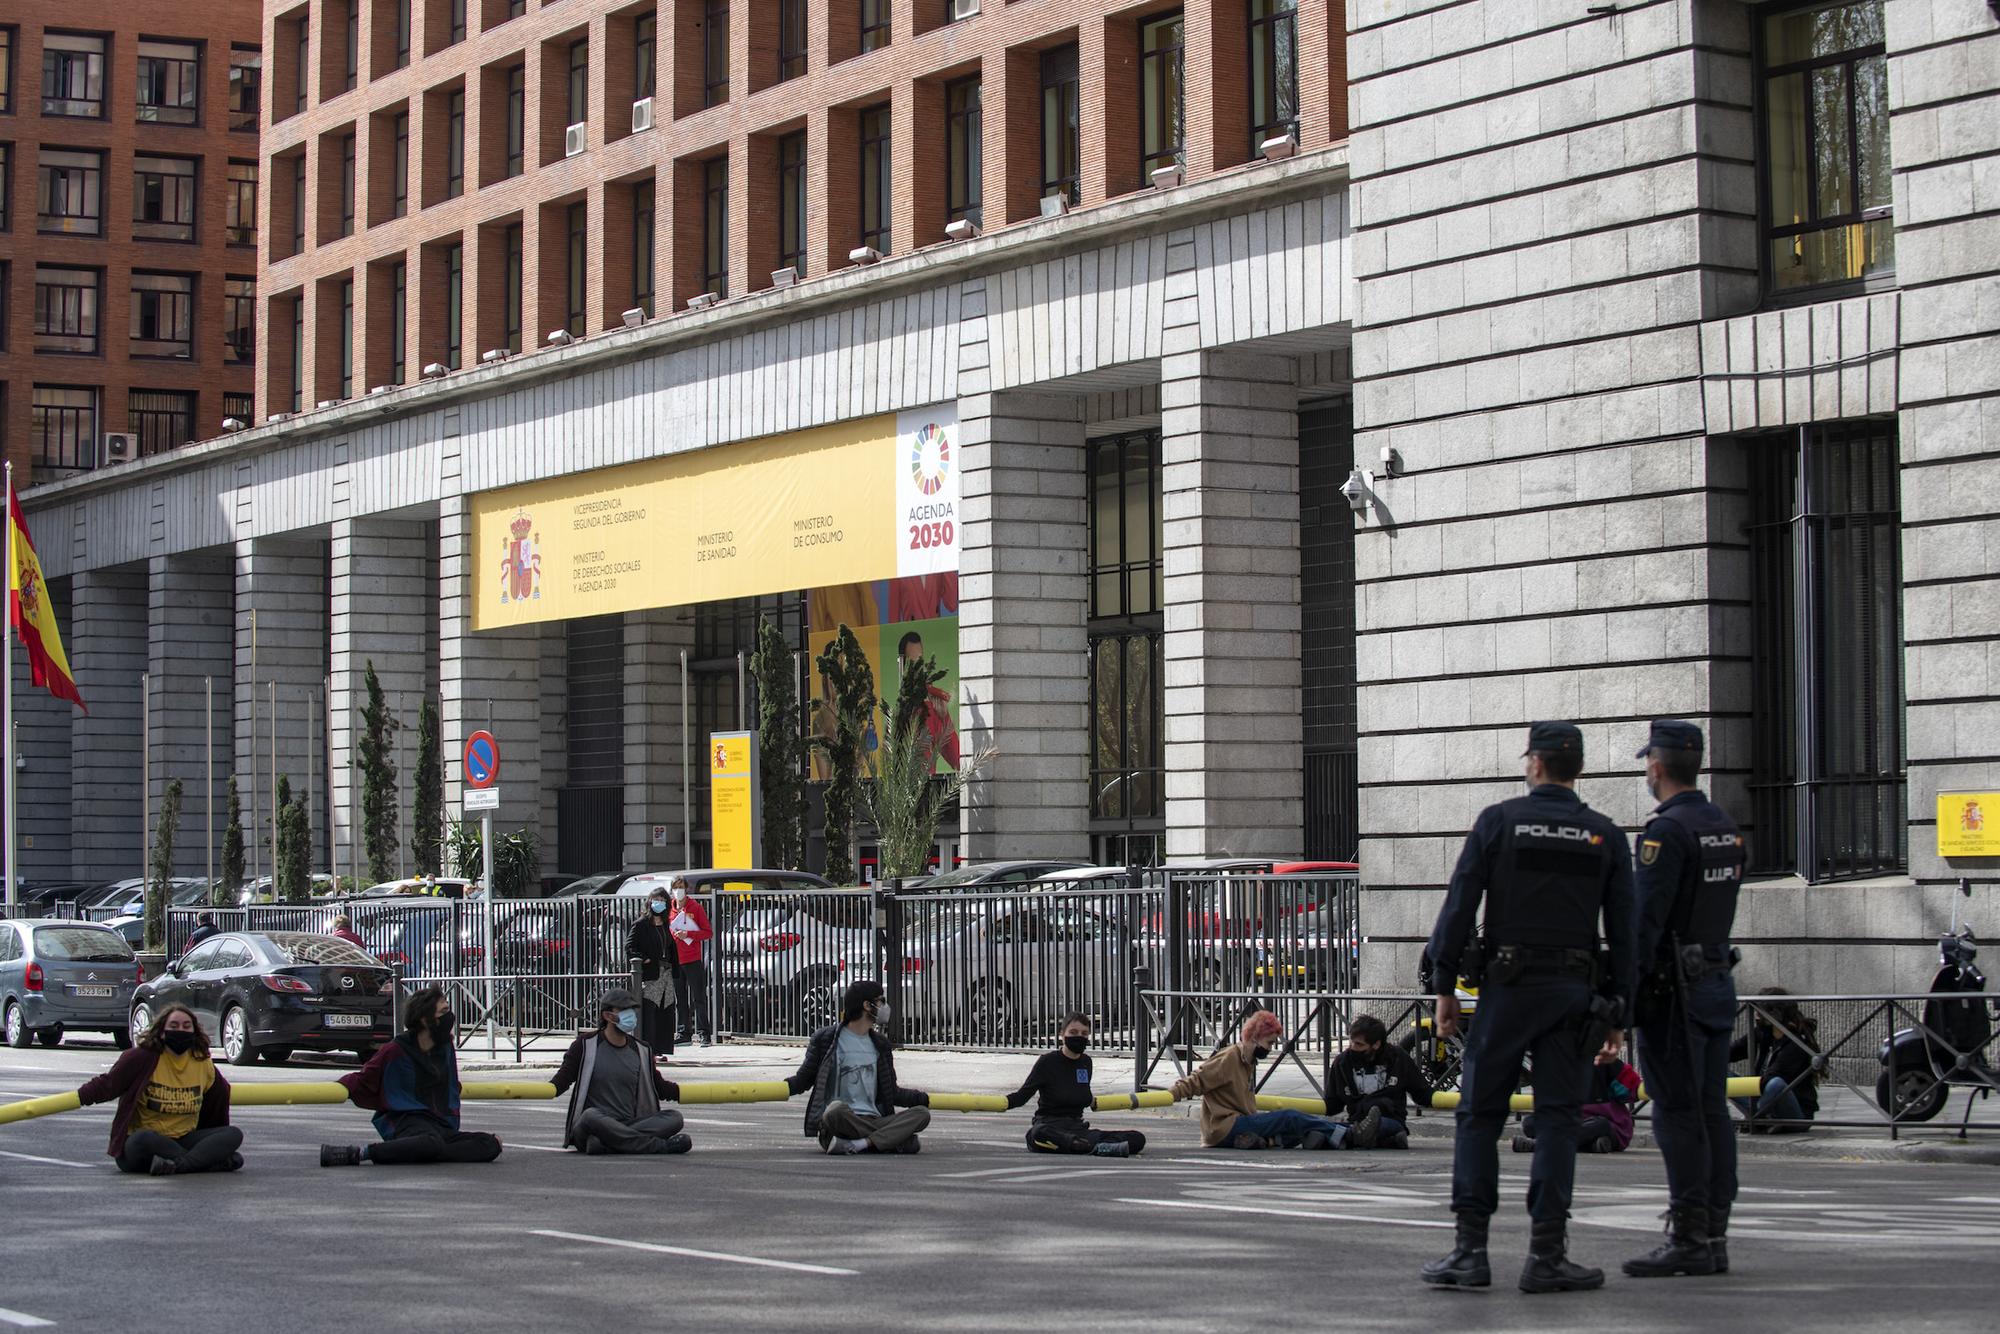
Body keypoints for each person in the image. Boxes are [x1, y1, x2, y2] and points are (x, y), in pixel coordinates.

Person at [1420, 721, 1635, 1294]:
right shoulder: (1605, 836)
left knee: (1479, 1116)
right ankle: (1547, 1254)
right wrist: (1618, 1012)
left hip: (1507, 992)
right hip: (1572, 997)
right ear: (1578, 769)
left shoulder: (1499, 822)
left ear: (1534, 764)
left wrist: (1444, 986)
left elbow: (1460, 902)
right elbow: (1625, 932)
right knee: (1560, 1121)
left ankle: (1470, 1252)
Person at [1623, 720, 1745, 1279]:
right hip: (1716, 981)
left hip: (1674, 993)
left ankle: (1690, 1234)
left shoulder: (1664, 834)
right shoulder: (1722, 824)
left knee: (1676, 1113)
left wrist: (1621, 999)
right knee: (1712, 1109)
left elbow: (1643, 925)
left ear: (1655, 766)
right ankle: (1714, 1233)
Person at [321, 985, 503, 1167]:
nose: (450, 1018)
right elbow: (364, 1078)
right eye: (444, 1011)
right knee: (430, 1143)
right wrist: (337, 1088)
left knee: (491, 1144)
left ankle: (420, 1151)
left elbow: (449, 1085)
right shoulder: (396, 1049)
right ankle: (360, 1153)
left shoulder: (445, 1047)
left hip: (440, 1123)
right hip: (405, 1121)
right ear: (425, 1019)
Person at [1171, 1010, 1377, 1150]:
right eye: (1269, 1042)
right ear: (1253, 1038)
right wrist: (1171, 1094)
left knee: (1297, 1126)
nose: (1270, 1048)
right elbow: (1196, 1080)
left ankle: (1260, 1141)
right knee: (1289, 1117)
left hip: (1239, 1124)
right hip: (1225, 1127)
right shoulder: (1229, 1058)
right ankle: (1350, 1134)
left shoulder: (1248, 1061)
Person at [77, 1003, 243, 1176]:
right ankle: (204, 1162)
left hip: (183, 1139)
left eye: (187, 1026)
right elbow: (108, 1085)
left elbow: (219, 1096)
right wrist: (79, 1097)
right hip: (146, 1143)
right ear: (162, 1031)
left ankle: (178, 1165)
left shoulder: (202, 1061)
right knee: (143, 1139)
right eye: (174, 1026)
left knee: (233, 1134)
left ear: (195, 1032)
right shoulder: (142, 1057)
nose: (181, 1030)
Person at [783, 979, 931, 1154]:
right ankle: (889, 1140)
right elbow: (804, 1080)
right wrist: (782, 1087)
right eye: (881, 1001)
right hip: (840, 1121)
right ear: (867, 1005)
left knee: (921, 1114)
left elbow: (892, 1092)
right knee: (834, 1110)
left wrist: (920, 1098)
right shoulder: (825, 1039)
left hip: (874, 1119)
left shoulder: (880, 1044)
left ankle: (861, 1144)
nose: (885, 1006)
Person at [551, 987, 691, 1155]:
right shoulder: (585, 1044)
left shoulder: (641, 1049)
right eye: (625, 1010)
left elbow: (660, 1088)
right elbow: (561, 1082)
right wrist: (540, 1090)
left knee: (674, 1118)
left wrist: (701, 1093)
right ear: (607, 1016)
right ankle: (659, 1146)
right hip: (593, 1125)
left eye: (632, 1010)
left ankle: (607, 1143)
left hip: (628, 1123)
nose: (631, 1015)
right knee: (590, 1116)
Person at [1006, 1014, 1147, 1157]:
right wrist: (993, 1103)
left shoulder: (1086, 1062)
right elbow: (1022, 1096)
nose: (1079, 1037)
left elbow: (1083, 1095)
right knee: (1036, 1134)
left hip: (1079, 1130)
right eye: (1073, 1032)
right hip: (1050, 1127)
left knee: (1137, 1138)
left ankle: (1085, 1146)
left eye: (1084, 1033)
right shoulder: (1047, 1062)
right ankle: (1087, 1147)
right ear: (1062, 1035)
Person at [1325, 1014, 1434, 1149]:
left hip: (1390, 1120)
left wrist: (1455, 1100)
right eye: (1351, 1041)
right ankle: (1357, 1136)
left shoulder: (1397, 1058)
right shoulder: (1342, 1062)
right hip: (1356, 1121)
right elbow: (1332, 1104)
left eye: (1359, 1044)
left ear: (1376, 1044)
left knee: (1377, 1125)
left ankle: (1343, 1137)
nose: (1353, 1047)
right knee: (1319, 1124)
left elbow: (1422, 1093)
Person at [1515, 1048, 1643, 1154]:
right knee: (1530, 1123)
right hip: (1568, 1120)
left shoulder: (1602, 1059)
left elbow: (1631, 1089)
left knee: (1599, 1125)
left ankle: (1543, 1144)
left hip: (1604, 1123)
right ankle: (1589, 1145)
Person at [1732, 986, 1819, 1133]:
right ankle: (1761, 1120)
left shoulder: (1796, 1043)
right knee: (1718, 1073)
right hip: (1761, 1101)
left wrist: (1738, 1086)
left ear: (1775, 1014)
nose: (1755, 1015)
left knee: (1776, 1084)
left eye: (1759, 1010)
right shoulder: (1761, 1034)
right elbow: (1731, 1051)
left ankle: (1757, 1119)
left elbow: (1773, 1077)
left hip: (1795, 1115)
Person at [626, 891, 682, 1057]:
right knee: (649, 1012)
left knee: (665, 1012)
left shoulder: (665, 924)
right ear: (649, 902)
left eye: (663, 900)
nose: (659, 903)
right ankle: (647, 1048)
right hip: (651, 974)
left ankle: (659, 1049)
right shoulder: (641, 924)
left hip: (666, 972)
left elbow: (670, 947)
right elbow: (629, 947)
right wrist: (644, 960)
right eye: (656, 900)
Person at [896, 631, 961, 771]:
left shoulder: (931, 711)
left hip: (927, 790)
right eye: (912, 664)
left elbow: (957, 761)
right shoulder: (893, 713)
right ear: (901, 666)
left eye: (920, 662)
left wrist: (944, 718)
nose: (917, 670)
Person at [668, 880, 715, 1047]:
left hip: (692, 959)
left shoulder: (696, 908)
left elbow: (707, 932)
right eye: (675, 888)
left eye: (681, 887)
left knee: (699, 998)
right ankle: (683, 1033)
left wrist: (688, 933)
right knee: (680, 999)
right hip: (676, 961)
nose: (678, 891)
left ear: (686, 889)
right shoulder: (669, 909)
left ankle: (704, 1034)